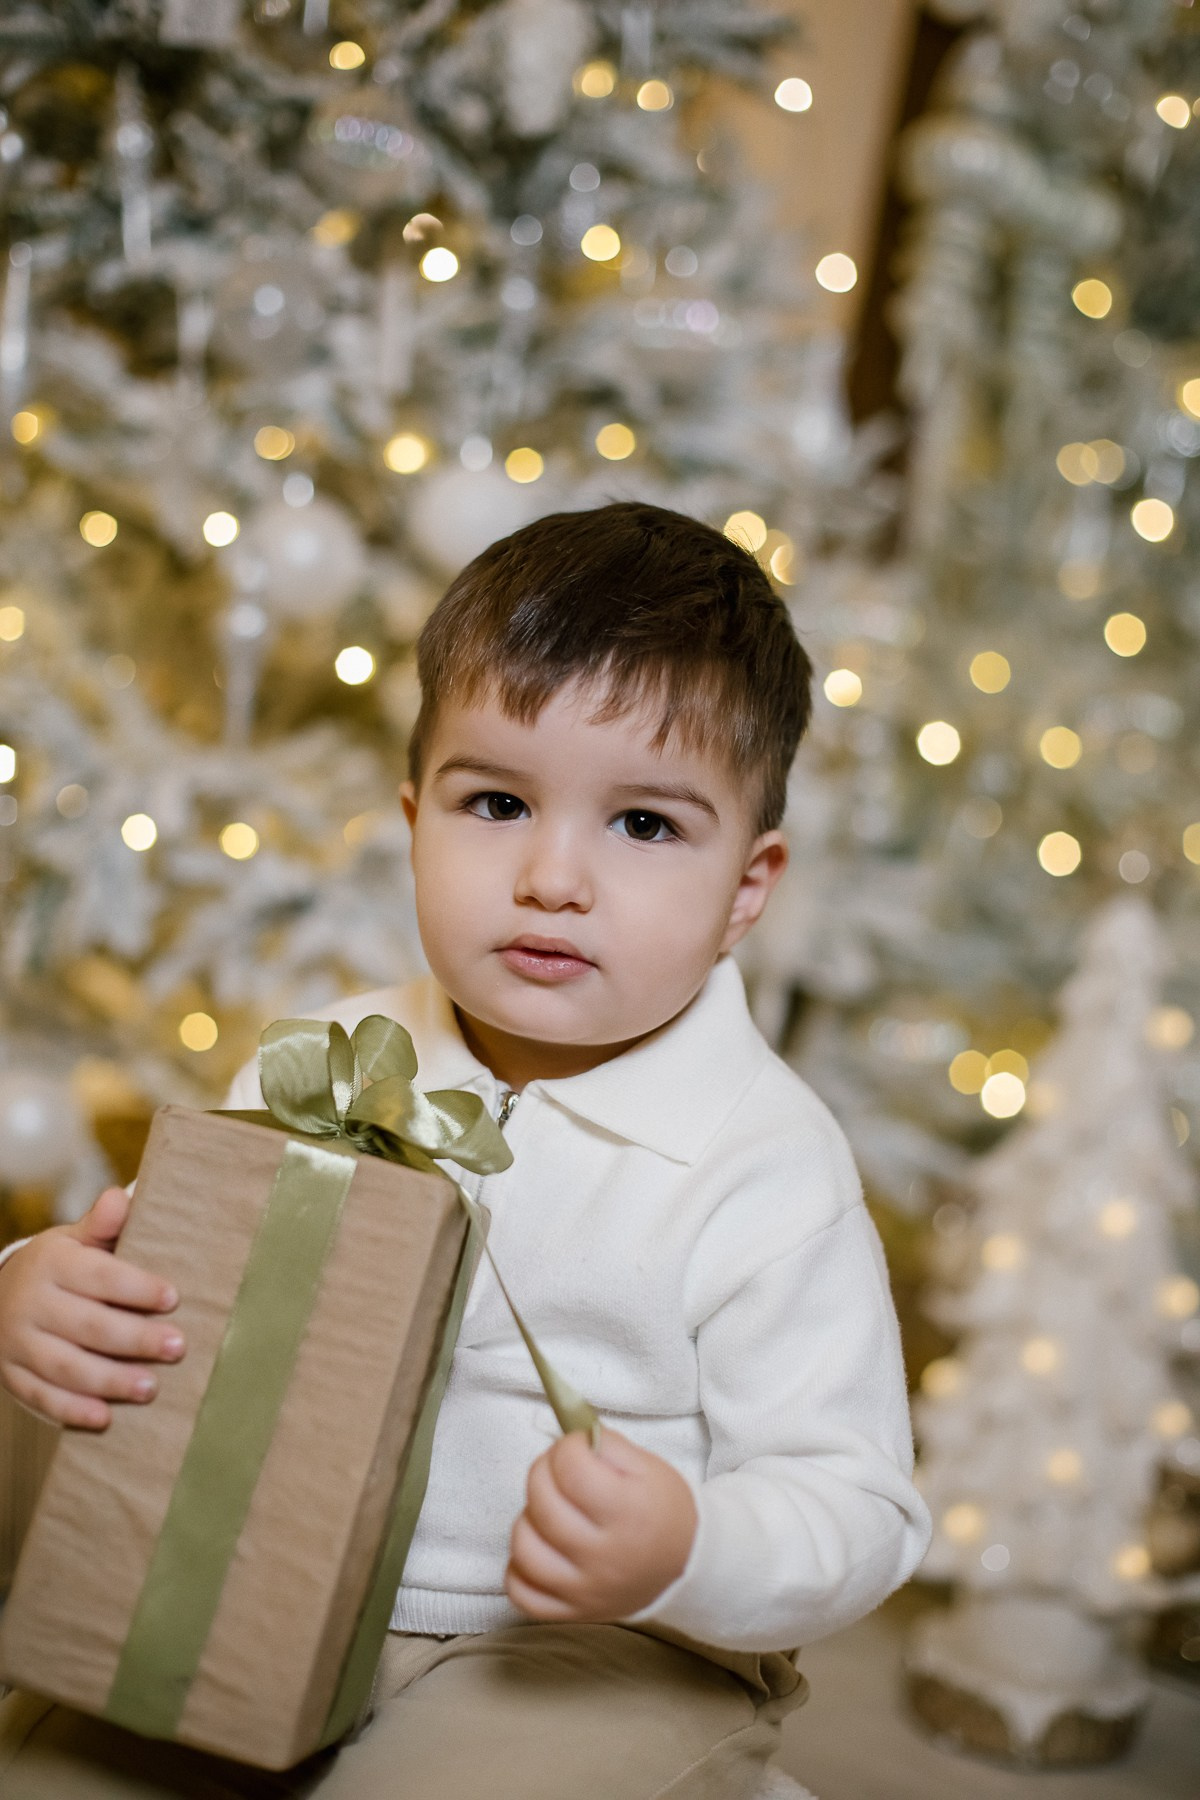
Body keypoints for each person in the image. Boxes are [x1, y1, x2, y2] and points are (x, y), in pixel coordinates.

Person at [0, 501, 930, 1799]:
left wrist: (689, 1545)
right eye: (496, 802)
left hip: (605, 1647)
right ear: (413, 818)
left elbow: (862, 1508)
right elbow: (168, 1305)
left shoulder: (763, 1165)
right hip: (286, 1584)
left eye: (645, 826)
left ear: (747, 889)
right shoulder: (333, 1055)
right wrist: (43, 1288)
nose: (554, 876)